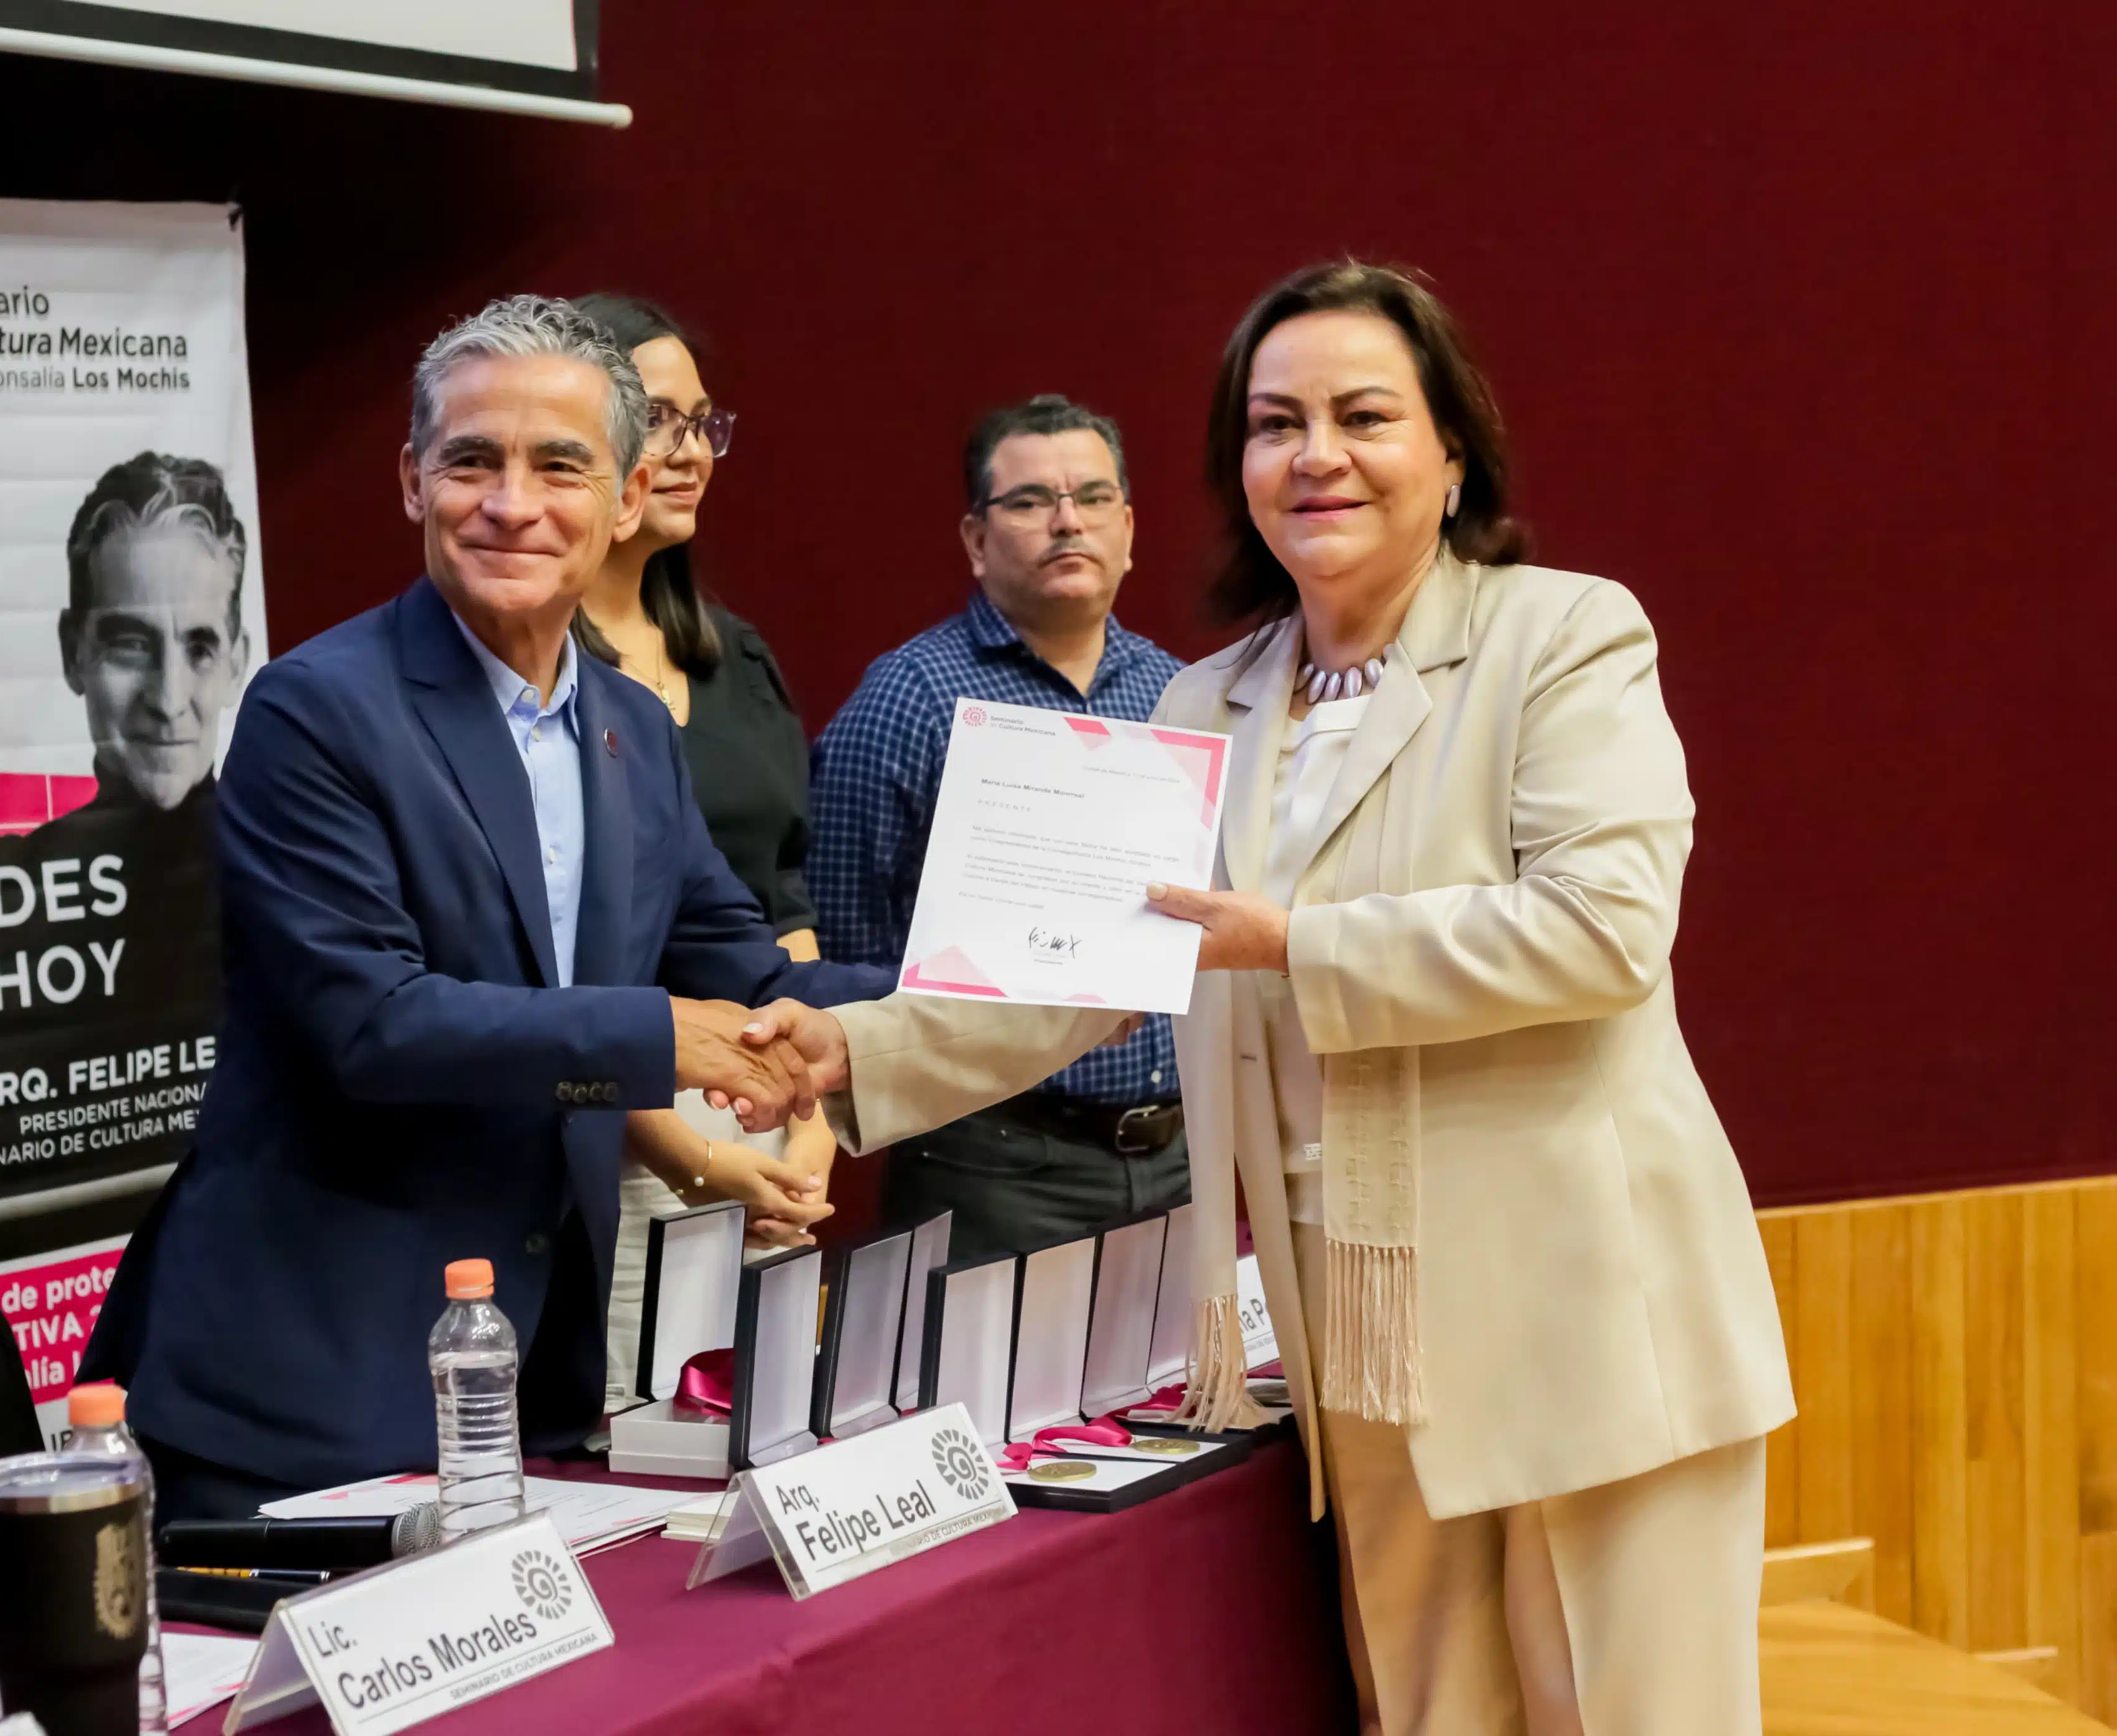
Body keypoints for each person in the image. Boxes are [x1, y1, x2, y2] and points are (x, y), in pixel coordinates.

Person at [756, 262, 1793, 1735]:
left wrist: (1291, 940)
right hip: (1361, 1328)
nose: (1314, 454)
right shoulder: (1202, 700)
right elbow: (1090, 972)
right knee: (1429, 1714)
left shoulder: (1561, 635)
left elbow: (1599, 932)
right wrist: (843, 1050)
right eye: (1272, 422)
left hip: (1583, 1314)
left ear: (1451, 454)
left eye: (1363, 414)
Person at [86, 295, 892, 1522]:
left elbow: (752, 971)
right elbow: (373, 1026)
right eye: (472, 459)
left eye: (558, 464)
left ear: (625, 501)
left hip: (522, 1391)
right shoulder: (314, 712)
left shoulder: (630, 729)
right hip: (307, 1397)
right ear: (411, 481)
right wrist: (657, 1038)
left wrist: (997, 991)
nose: (511, 503)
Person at [806, 394, 1187, 1260]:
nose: (1066, 521)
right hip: (991, 1164)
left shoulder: (1181, 696)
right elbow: (842, 948)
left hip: (1173, 1163)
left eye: (1092, 498)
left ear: (1129, 528)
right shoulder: (907, 699)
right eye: (1028, 502)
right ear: (977, 540)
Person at [569, 294, 834, 1407]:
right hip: (606, 1127)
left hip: (768, 1120)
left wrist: (811, 1121)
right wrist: (693, 1153)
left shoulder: (737, 661)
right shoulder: (540, 677)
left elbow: (782, 906)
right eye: (658, 419)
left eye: (702, 424)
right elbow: (549, 970)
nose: (686, 452)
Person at [0, 453, 248, 1203]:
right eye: (130, 645)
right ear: (73, 652)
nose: (169, 700)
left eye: (198, 647)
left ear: (237, 659)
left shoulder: (313, 873)